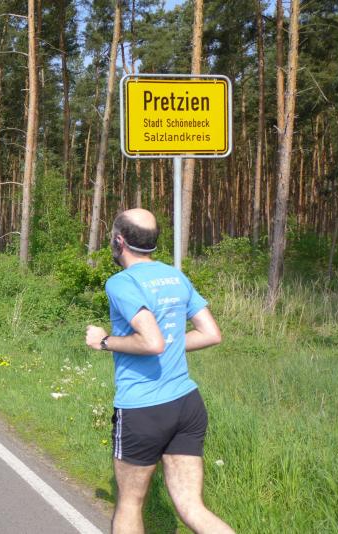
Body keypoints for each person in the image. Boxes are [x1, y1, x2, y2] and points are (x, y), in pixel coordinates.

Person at [85, 209, 234, 534]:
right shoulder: (175, 276)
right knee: (192, 507)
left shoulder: (121, 283)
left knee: (129, 504)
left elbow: (152, 342)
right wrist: (169, 343)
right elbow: (211, 334)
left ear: (119, 241)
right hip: (186, 404)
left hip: (143, 409)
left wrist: (104, 342)